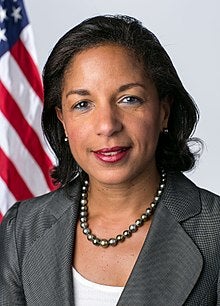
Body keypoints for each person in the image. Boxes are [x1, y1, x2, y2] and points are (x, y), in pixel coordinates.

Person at [0, 14, 219, 306]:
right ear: (62, 120)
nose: (107, 125)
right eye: (83, 104)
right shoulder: (23, 228)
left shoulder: (214, 230)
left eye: (129, 99)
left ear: (164, 110)